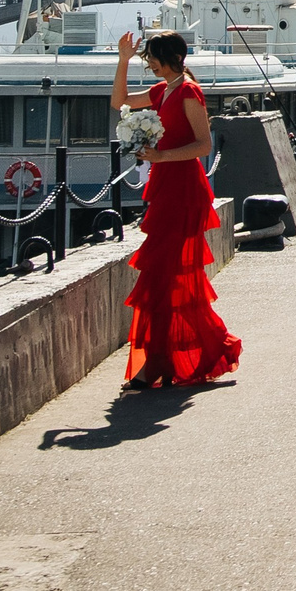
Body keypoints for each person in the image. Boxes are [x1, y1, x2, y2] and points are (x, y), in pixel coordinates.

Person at [112, 31, 243, 388]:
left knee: (166, 276)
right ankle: (172, 359)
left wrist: (160, 156)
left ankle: (158, 363)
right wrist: (123, 59)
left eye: (151, 57)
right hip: (166, 186)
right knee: (165, 277)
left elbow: (203, 146)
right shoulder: (164, 89)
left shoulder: (188, 91)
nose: (148, 63)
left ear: (170, 56)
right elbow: (119, 101)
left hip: (183, 189)